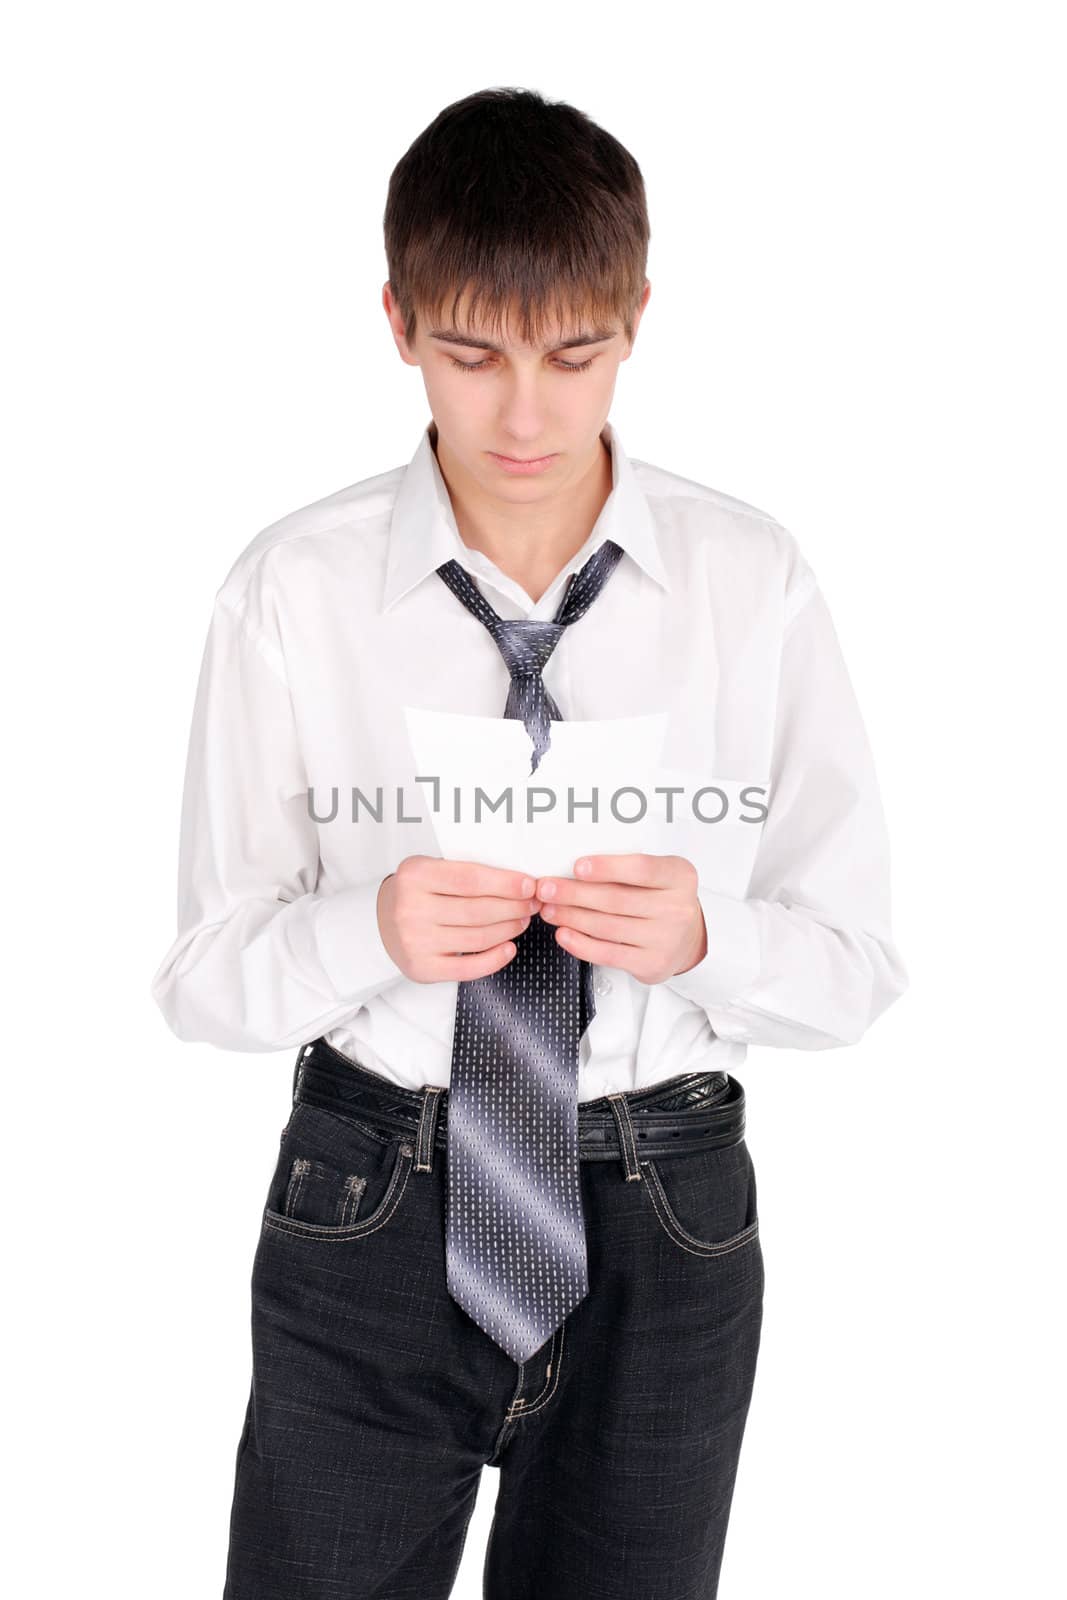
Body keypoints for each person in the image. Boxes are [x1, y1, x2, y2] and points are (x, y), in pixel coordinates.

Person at [150, 85, 908, 1600]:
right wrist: (366, 930)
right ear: (397, 321)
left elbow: (858, 969)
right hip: (371, 1194)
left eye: (575, 356)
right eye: (470, 353)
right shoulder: (292, 590)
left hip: (664, 1211)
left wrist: (708, 938)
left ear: (636, 321)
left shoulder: (747, 583)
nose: (523, 416)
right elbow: (201, 982)